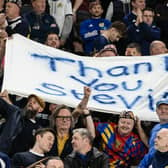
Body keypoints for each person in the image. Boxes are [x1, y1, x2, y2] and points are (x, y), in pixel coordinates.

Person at [48, 86, 95, 159]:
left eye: (67, 117)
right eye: (61, 117)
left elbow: (91, 135)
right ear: (55, 119)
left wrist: (86, 97)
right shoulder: (48, 134)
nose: (64, 120)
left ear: (71, 120)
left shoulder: (76, 136)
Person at [0, 90, 45, 155]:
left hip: (18, 161)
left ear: (40, 109)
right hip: (3, 154)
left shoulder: (39, 129)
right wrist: (3, 97)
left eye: (34, 102)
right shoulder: (16, 113)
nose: (30, 103)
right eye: (29, 101)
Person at [138, 99, 168, 167]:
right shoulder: (156, 127)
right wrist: (139, 127)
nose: (163, 111)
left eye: (166, 108)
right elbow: (150, 145)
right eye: (160, 108)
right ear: (157, 111)